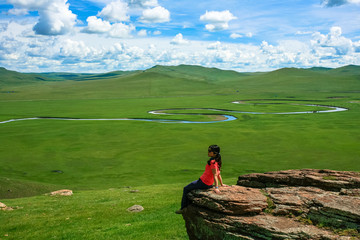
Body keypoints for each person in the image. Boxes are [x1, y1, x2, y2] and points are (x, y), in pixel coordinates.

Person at [175, 145, 225, 214]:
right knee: (190, 190)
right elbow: (218, 173)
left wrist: (216, 187)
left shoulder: (213, 162)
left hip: (203, 182)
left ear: (215, 153)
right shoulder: (217, 161)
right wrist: (221, 184)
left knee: (186, 189)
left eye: (210, 151)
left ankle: (183, 209)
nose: (208, 152)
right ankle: (188, 207)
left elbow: (215, 175)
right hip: (208, 183)